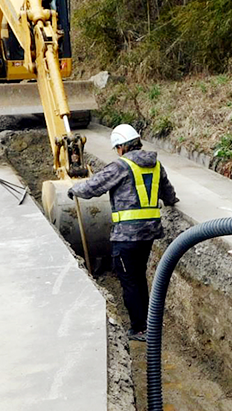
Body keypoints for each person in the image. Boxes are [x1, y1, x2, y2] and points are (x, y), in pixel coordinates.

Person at [67, 124, 178, 342]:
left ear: (121, 147)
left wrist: (73, 190)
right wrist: (173, 202)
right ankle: (149, 324)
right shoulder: (156, 165)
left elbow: (93, 187)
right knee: (139, 278)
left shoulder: (120, 166)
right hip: (149, 234)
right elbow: (168, 192)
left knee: (129, 281)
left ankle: (139, 329)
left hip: (126, 237)